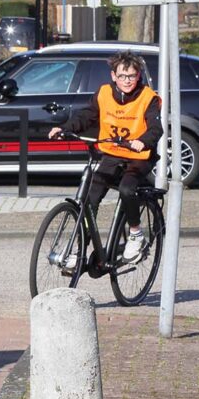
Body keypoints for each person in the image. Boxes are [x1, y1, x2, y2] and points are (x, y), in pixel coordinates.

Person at [49, 50, 163, 264]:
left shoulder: (148, 97)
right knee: (90, 197)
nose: (127, 80)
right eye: (122, 76)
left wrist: (144, 141)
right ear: (113, 76)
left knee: (127, 189)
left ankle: (136, 234)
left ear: (138, 76)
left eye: (131, 76)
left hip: (139, 156)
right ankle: (80, 246)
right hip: (112, 152)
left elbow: (156, 128)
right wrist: (64, 128)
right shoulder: (103, 94)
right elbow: (86, 116)